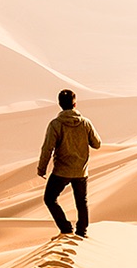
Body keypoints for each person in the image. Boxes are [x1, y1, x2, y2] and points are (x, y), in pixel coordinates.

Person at [37, 89, 101, 237]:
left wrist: (42, 169)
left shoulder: (55, 124)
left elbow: (47, 148)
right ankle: (82, 231)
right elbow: (97, 144)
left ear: (60, 104)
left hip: (62, 171)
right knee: (81, 201)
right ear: (75, 104)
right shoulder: (85, 123)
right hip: (80, 171)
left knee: (50, 199)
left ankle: (66, 228)